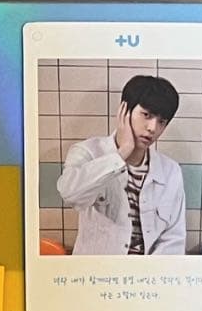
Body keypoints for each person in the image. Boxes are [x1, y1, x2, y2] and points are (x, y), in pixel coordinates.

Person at [56, 74, 186, 255]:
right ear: (124, 111)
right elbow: (70, 194)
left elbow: (173, 238)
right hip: (98, 270)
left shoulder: (171, 171)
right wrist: (122, 153)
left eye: (161, 122)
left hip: (149, 271)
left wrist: (151, 271)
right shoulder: (88, 152)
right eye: (146, 115)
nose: (152, 128)